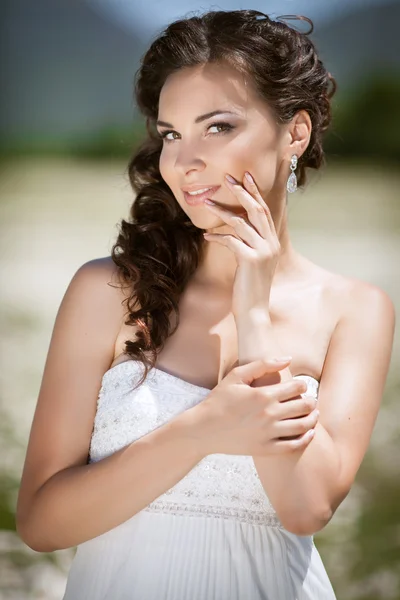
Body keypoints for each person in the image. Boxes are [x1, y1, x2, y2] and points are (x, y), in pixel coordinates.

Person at [16, 9, 395, 600]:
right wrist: (200, 432)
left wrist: (254, 312)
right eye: (171, 133)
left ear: (295, 133)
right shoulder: (108, 291)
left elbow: (306, 507)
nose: (183, 161)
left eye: (217, 126)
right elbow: (41, 523)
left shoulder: (357, 310)